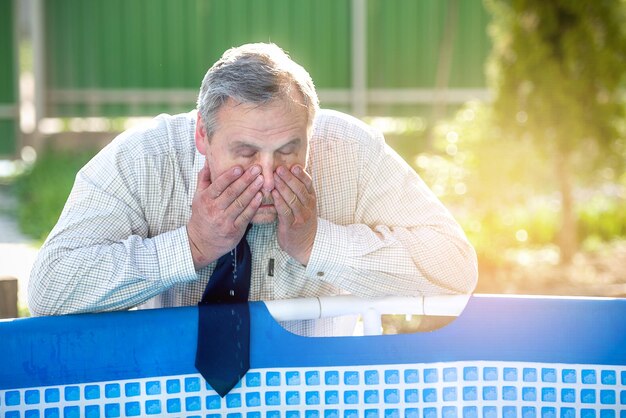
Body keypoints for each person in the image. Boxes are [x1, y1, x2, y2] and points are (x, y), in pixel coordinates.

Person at [28, 43, 478, 336]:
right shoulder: (141, 160)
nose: (266, 175)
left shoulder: (350, 151)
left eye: (288, 149)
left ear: (310, 132)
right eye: (245, 151)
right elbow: (49, 289)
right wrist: (190, 246)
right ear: (201, 136)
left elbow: (455, 269)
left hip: (316, 394)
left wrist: (317, 242)